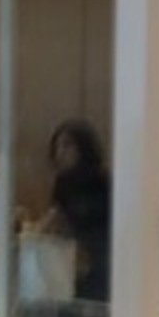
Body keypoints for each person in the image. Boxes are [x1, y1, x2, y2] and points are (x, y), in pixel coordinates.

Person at [41, 118, 111, 302]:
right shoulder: (62, 182)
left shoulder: (102, 183)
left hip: (99, 259)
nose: (60, 152)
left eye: (67, 146)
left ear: (83, 148)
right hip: (70, 259)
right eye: (57, 146)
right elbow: (56, 216)